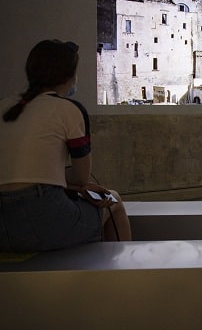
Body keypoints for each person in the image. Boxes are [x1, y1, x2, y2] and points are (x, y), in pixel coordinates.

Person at [0, 39, 131, 252]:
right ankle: (122, 277)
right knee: (113, 200)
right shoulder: (69, 110)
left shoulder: (4, 105)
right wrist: (76, 184)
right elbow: (81, 177)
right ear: (69, 77)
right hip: (44, 219)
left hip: (3, 226)